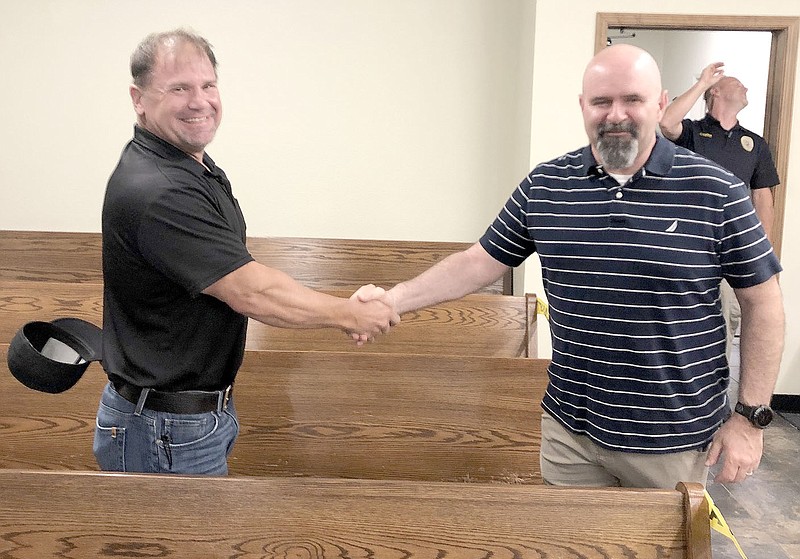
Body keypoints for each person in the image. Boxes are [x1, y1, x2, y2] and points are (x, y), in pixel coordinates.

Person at [355, 44, 784, 488]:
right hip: (570, 436)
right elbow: (477, 262)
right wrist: (393, 299)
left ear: (660, 103)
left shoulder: (716, 190)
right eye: (601, 101)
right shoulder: (546, 185)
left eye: (632, 99)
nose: (615, 114)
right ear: (583, 106)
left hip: (670, 442)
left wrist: (750, 419)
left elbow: (764, 305)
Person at [95, 29, 399, 476]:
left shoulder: (191, 165)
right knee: (183, 548)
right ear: (138, 98)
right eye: (178, 88)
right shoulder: (159, 190)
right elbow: (252, 291)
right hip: (161, 428)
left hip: (185, 417)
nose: (199, 101)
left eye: (208, 85)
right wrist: (349, 314)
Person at [659, 62, 780, 355]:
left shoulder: (755, 144)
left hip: (737, 245)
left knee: (736, 317)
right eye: (738, 84)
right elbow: (665, 122)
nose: (746, 88)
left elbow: (762, 198)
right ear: (716, 92)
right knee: (708, 322)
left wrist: (764, 251)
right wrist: (701, 83)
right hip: (694, 243)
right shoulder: (692, 132)